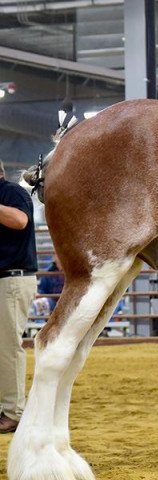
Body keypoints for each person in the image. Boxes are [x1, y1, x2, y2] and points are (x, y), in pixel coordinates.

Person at [0, 159, 38, 433]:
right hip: (4, 280)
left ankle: (13, 412)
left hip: (12, 279)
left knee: (8, 347)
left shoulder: (13, 193)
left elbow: (20, 220)